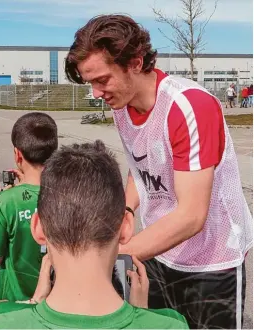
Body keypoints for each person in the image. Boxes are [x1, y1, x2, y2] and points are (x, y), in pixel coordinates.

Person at [65, 14, 252, 329]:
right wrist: (126, 208)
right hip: (159, 251)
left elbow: (192, 215)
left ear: (135, 63)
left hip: (211, 261)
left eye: (102, 79)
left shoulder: (188, 106)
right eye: (90, 83)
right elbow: (142, 165)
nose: (96, 93)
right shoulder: (121, 106)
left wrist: (110, 255)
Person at [0, 142, 189, 329]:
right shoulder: (172, 325)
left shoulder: (0, 322)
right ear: (127, 226)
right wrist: (142, 316)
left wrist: (35, 300)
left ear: (38, 228)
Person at [0, 112, 58, 301]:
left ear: (18, 154)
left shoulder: (6, 201)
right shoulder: (66, 194)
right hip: (56, 299)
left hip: (15, 301)